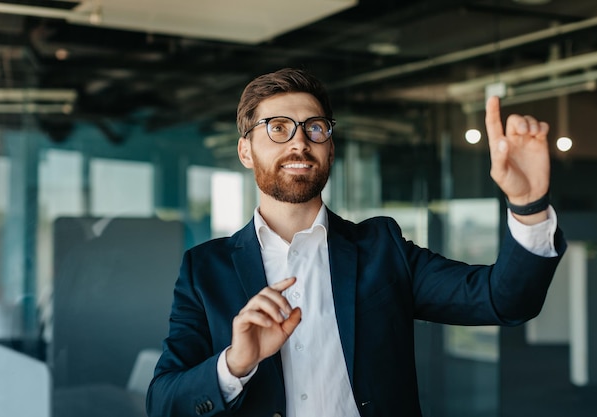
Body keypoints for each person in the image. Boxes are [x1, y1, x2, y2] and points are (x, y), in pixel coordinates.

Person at [146, 68, 566, 417]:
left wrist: (528, 205)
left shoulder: (382, 248)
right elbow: (164, 402)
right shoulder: (204, 269)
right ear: (245, 150)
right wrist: (235, 363)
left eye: (314, 128)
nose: (299, 141)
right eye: (277, 128)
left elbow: (505, 300)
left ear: (330, 148)